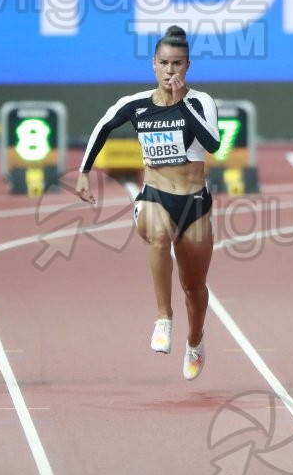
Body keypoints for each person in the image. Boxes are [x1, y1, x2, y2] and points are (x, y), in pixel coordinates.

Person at [76, 26, 220, 380]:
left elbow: (213, 143)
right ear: (153, 65)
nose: (170, 70)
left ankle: (195, 340)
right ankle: (163, 319)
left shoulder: (200, 102)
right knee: (158, 235)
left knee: (195, 288)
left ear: (187, 66)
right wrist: (83, 171)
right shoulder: (136, 105)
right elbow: (102, 127)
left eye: (177, 64)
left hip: (194, 204)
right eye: (164, 63)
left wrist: (182, 101)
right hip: (154, 195)